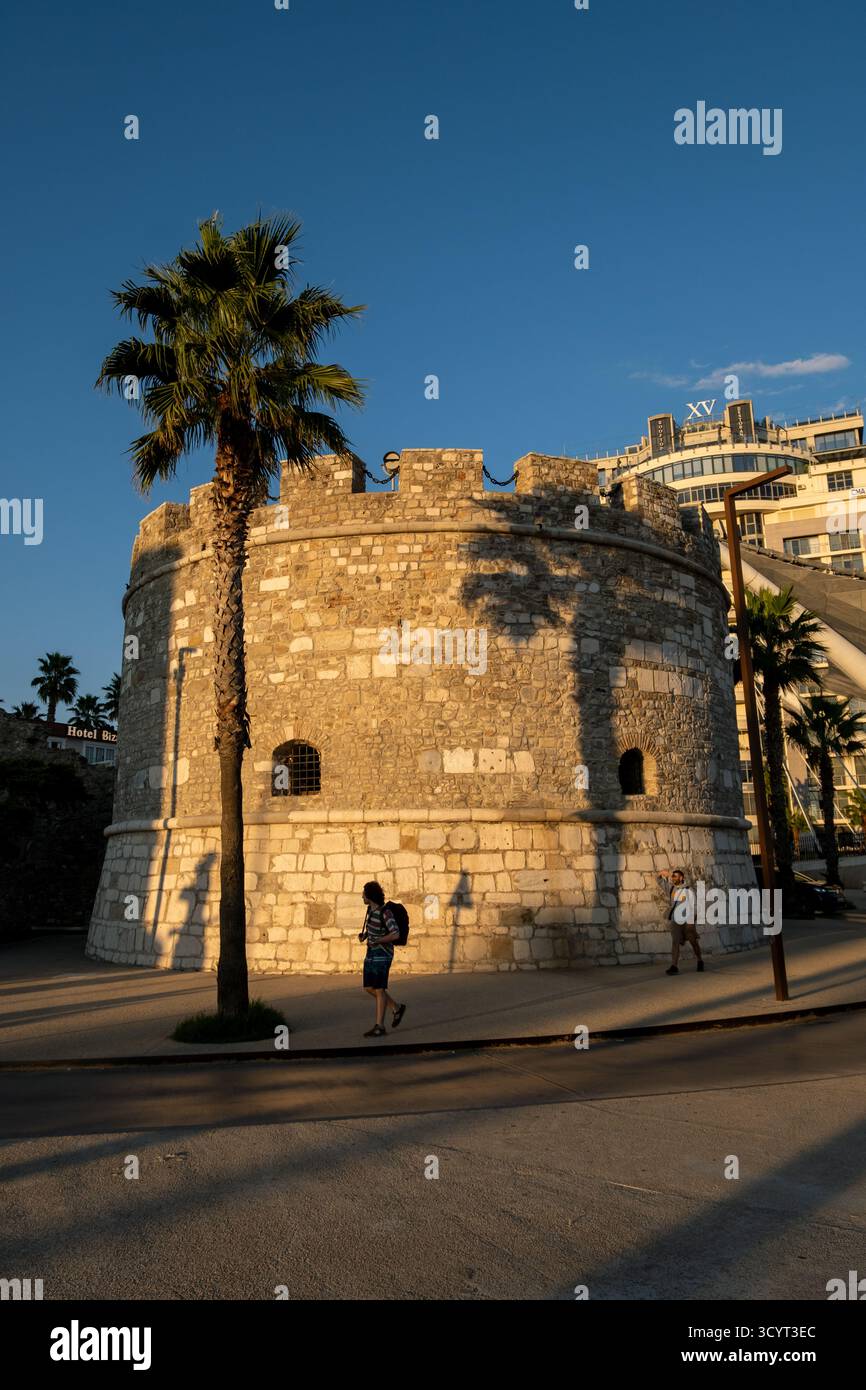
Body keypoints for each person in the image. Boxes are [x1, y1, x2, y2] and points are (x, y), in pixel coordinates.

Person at [359, 881, 406, 1037]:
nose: (362, 896)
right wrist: (366, 935)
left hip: (383, 955)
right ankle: (396, 1007)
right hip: (371, 953)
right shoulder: (370, 911)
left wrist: (378, 940)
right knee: (368, 987)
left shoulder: (385, 913)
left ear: (370, 896)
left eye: (364, 893)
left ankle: (380, 1026)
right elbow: (374, 929)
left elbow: (395, 933)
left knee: (379, 989)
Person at [657, 867, 704, 975]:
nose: (673, 878)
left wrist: (692, 920)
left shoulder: (689, 890)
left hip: (688, 920)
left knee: (693, 941)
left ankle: (700, 960)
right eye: (672, 876)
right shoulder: (671, 889)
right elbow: (659, 880)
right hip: (675, 920)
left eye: (675, 876)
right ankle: (674, 966)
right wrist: (662, 873)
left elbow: (695, 906)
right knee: (675, 942)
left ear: (681, 877)